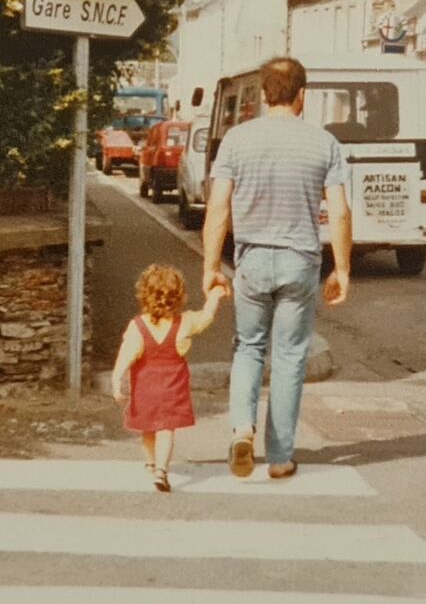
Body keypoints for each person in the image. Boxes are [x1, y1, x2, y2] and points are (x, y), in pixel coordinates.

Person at [201, 56, 353, 480]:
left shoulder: (236, 140)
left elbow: (218, 207)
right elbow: (339, 213)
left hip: (251, 260)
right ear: (302, 95)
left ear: (264, 95)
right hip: (300, 262)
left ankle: (241, 428)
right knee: (288, 357)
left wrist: (212, 266)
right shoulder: (324, 144)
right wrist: (342, 269)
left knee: (248, 347)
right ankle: (281, 456)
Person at [111, 265, 225, 492]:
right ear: (180, 297)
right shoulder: (184, 323)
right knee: (166, 430)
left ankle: (151, 463)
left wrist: (116, 382)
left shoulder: (138, 326)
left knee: (147, 428)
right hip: (172, 387)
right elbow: (207, 317)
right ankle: (162, 471)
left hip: (145, 387)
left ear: (143, 295)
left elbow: (125, 357)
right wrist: (214, 296)